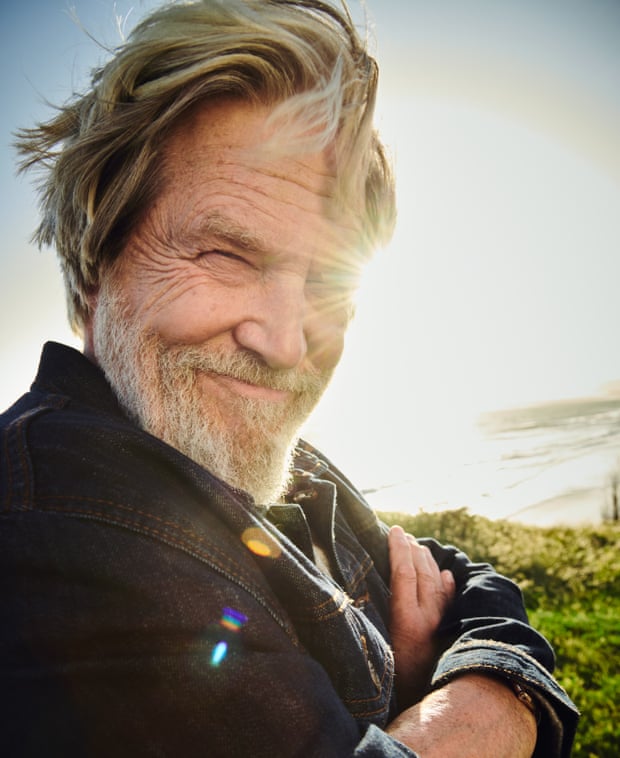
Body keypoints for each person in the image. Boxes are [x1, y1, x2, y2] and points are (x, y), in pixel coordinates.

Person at [1, 1, 577, 756]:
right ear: (93, 268)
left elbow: (457, 575)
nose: (284, 342)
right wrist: (491, 704)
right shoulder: (52, 530)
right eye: (227, 255)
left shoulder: (229, 445)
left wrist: (448, 685)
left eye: (328, 283)